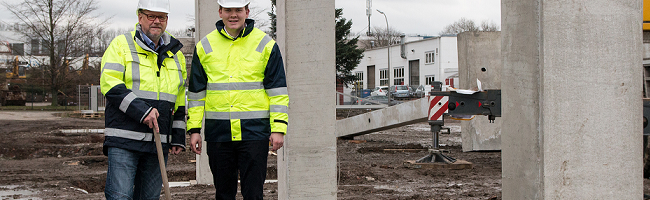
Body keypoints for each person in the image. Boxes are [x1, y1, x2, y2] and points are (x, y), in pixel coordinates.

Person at [186, 0, 289, 199]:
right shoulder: (204, 46)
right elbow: (197, 94)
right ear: (220, 12)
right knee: (224, 194)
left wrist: (278, 128)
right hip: (219, 134)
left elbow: (277, 91)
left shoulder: (266, 44)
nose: (233, 15)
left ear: (247, 12)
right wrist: (194, 130)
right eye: (228, 10)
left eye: (238, 10)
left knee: (253, 194)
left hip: (254, 133)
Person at [100, 0, 186, 199]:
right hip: (124, 139)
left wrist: (178, 136)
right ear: (140, 17)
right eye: (151, 16)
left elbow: (179, 99)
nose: (157, 21)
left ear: (167, 20)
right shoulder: (121, 45)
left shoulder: (176, 55)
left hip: (159, 141)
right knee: (120, 196)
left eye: (162, 17)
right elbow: (110, 85)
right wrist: (142, 111)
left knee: (149, 197)